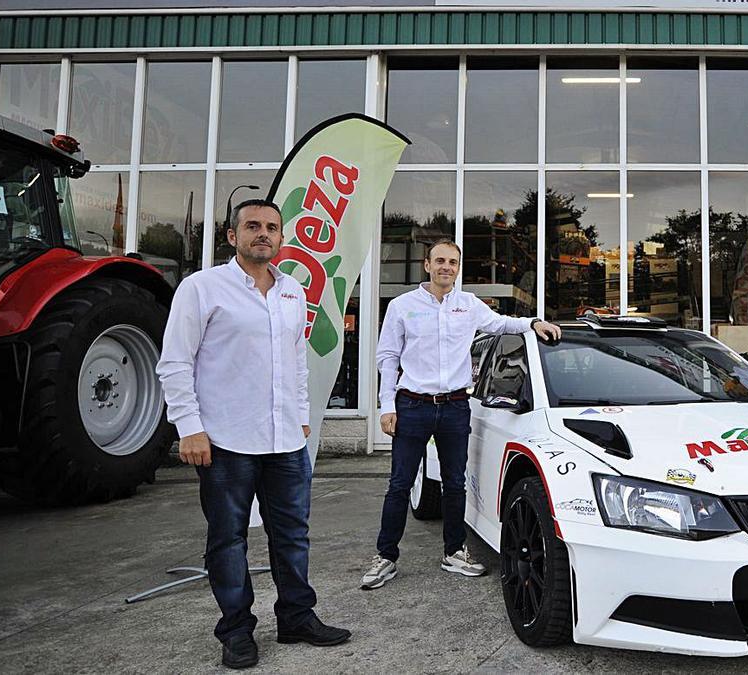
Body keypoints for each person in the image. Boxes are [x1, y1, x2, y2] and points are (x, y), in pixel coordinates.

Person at [156, 198, 350, 670]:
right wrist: (190, 428)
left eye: (271, 227)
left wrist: (301, 416)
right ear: (232, 236)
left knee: (292, 535)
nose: (263, 234)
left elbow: (297, 362)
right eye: (253, 226)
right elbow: (175, 362)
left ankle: (297, 617)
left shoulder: (292, 292)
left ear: (281, 238)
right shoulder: (201, 288)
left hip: (285, 439)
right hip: (225, 440)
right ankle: (237, 631)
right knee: (228, 539)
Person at [361, 239, 562, 591]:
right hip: (412, 405)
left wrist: (533, 323)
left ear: (458, 267)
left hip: (455, 406)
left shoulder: (468, 305)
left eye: (452, 262)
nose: (446, 267)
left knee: (455, 483)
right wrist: (387, 405)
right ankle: (386, 557)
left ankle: (453, 552)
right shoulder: (402, 306)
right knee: (399, 484)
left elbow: (501, 324)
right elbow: (388, 357)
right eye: (440, 261)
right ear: (427, 265)